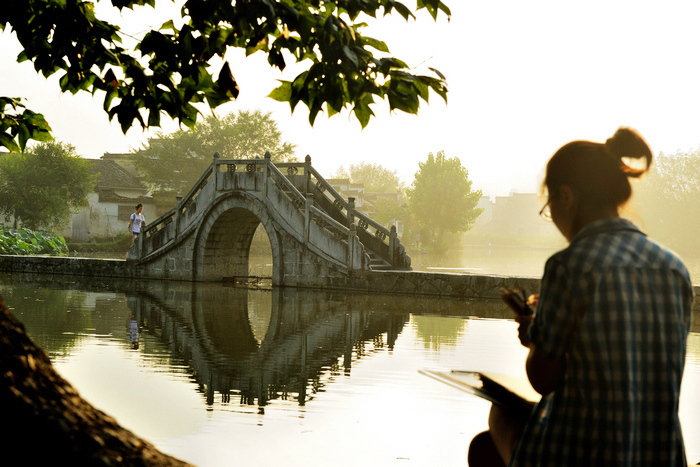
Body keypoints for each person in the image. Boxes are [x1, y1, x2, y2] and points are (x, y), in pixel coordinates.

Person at [468, 128, 694, 466]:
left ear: (567, 197)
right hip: (659, 455)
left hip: (583, 455)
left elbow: (543, 380)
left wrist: (534, 336)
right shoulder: (674, 269)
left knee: (499, 419)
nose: (552, 217)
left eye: (549, 206)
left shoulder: (570, 266)